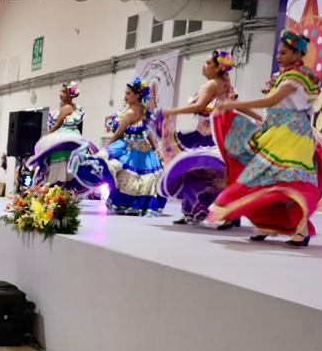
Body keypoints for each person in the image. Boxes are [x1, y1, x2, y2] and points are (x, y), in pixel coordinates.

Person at [207, 30, 322, 246]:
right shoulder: (283, 76)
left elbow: (272, 101)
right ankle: (265, 224)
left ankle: (301, 230)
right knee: (264, 178)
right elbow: (273, 106)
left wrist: (233, 104)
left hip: (292, 137)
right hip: (275, 133)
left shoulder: (297, 78)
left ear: (297, 54)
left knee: (285, 181)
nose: (278, 56)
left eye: (284, 53)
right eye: (279, 52)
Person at [160, 51, 240, 226]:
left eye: (208, 63)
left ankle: (194, 210)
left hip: (205, 138)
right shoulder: (227, 86)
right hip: (220, 138)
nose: (204, 66)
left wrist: (171, 111)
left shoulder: (211, 84)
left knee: (189, 171)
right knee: (218, 177)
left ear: (217, 67)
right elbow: (236, 107)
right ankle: (223, 214)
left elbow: (199, 106)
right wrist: (257, 117)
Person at [103, 77, 166, 215]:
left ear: (137, 95)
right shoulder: (144, 110)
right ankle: (138, 206)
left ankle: (129, 204)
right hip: (146, 151)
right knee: (143, 178)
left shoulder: (130, 113)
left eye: (128, 93)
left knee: (128, 176)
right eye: (125, 93)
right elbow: (149, 133)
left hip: (132, 150)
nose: (125, 96)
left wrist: (106, 148)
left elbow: (118, 134)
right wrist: (155, 148)